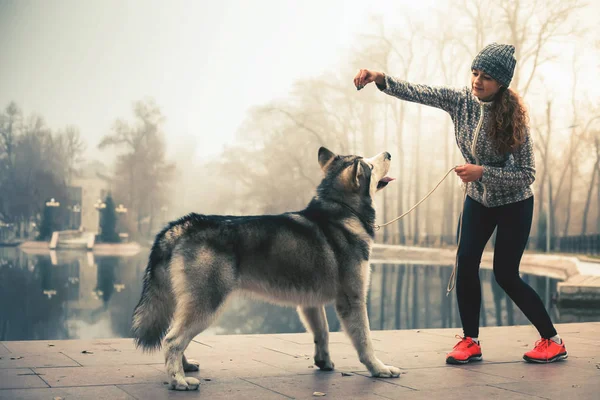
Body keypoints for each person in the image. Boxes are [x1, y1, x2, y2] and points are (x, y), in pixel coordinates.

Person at [354, 43, 567, 364]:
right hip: (478, 201)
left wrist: (483, 172)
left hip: (515, 204)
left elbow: (527, 174)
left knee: (505, 274)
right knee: (466, 264)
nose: (477, 81)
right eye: (475, 72)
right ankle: (470, 341)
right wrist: (380, 78)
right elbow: (421, 91)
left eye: (487, 77)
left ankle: (552, 340)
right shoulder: (461, 101)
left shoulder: (515, 121)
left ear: (502, 83)